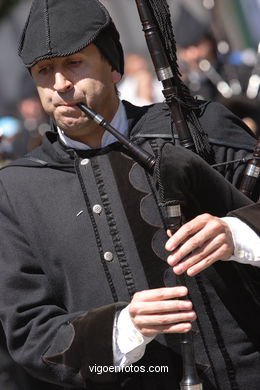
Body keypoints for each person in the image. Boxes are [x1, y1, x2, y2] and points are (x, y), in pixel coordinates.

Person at [0, 1, 260, 389]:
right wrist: (125, 327)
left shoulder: (202, 128)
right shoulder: (17, 191)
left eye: (73, 63)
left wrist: (237, 233)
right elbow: (29, 332)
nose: (59, 85)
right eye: (43, 71)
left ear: (114, 66)